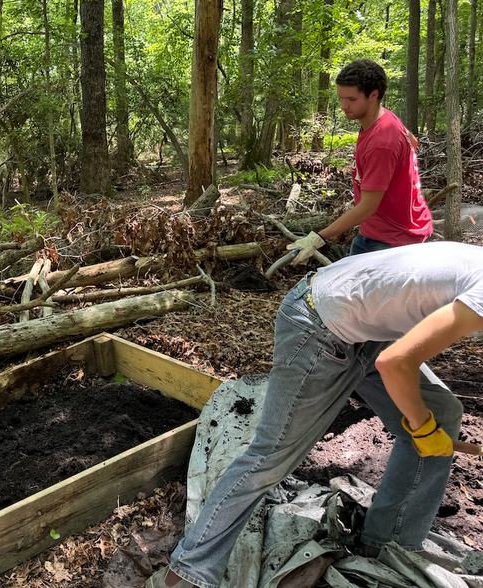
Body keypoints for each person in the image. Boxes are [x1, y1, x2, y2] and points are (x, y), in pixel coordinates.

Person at [148, 241, 483, 588]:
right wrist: (422, 428)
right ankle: (186, 572)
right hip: (318, 323)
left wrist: (426, 423)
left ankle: (388, 543)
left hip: (367, 328)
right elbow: (396, 363)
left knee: (441, 411)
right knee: (270, 458)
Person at [288, 60, 432, 265]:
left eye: (352, 99)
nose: (344, 106)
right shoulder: (383, 118)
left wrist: (317, 238)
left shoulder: (382, 142)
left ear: (373, 95)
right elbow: (413, 142)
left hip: (393, 242)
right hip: (377, 231)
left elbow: (367, 207)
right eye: (341, 98)